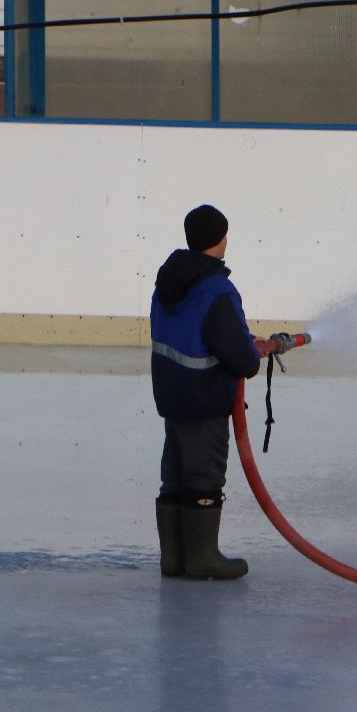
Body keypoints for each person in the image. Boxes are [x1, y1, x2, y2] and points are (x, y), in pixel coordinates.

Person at [150, 204, 261, 580]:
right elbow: (239, 356)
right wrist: (250, 355)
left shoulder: (168, 281)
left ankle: (174, 558)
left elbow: (193, 333)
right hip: (204, 400)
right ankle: (202, 558)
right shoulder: (216, 289)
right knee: (204, 476)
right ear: (221, 239)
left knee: (175, 476)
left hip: (173, 396)